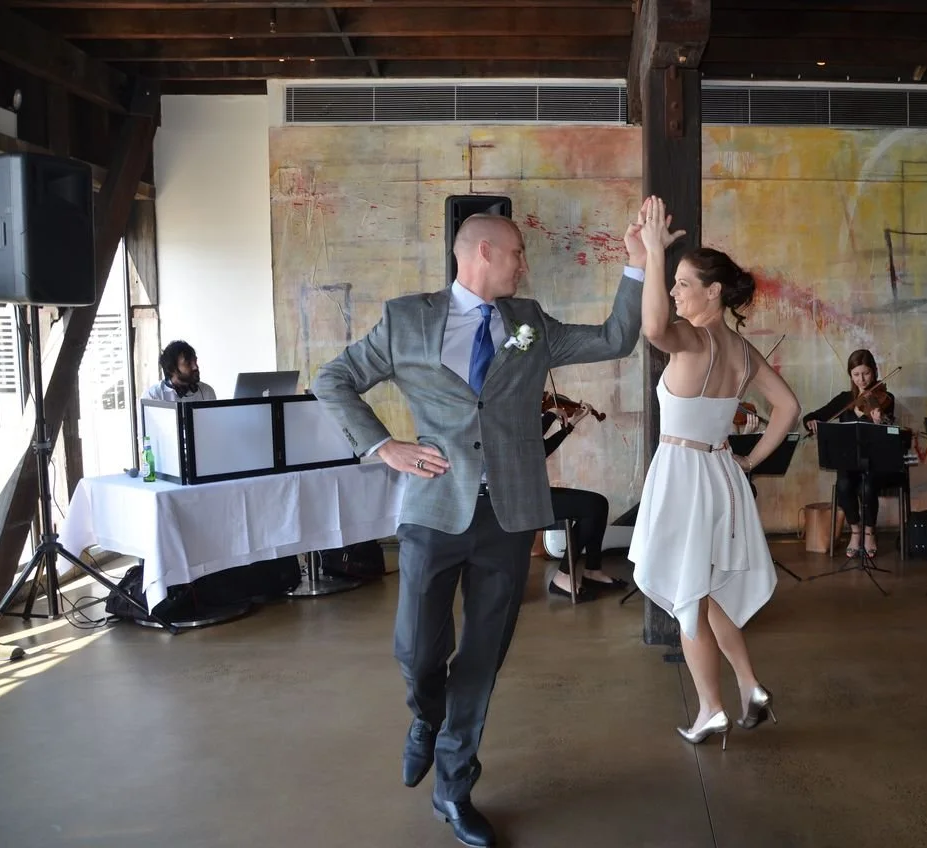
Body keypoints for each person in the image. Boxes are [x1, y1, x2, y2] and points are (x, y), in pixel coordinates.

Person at [311, 208, 646, 848]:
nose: (525, 264)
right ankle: (425, 718)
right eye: (518, 253)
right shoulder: (407, 318)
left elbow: (616, 338)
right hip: (434, 509)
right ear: (484, 252)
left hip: (509, 515)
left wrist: (636, 261)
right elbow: (334, 379)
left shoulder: (530, 325)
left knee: (483, 657)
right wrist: (384, 446)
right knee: (416, 649)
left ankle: (454, 786)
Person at [628, 197, 801, 749]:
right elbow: (789, 410)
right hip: (721, 474)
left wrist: (655, 251)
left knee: (688, 601)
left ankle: (710, 710)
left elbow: (652, 324)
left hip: (683, 475)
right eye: (673, 282)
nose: (676, 292)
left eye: (684, 283)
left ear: (713, 292)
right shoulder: (742, 350)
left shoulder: (692, 337)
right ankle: (750, 686)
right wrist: (749, 460)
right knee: (711, 593)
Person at [802, 349, 895, 557]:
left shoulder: (885, 397)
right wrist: (811, 421)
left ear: (874, 371)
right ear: (850, 375)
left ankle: (870, 532)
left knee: (868, 486)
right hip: (850, 460)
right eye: (856, 374)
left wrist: (880, 422)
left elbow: (890, 431)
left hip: (875, 461)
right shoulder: (844, 399)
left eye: (866, 373)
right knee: (844, 484)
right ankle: (855, 531)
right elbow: (814, 415)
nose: (862, 379)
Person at [542, 397, 627, 601]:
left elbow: (540, 450)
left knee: (599, 502)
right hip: (521, 499)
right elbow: (528, 442)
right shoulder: (510, 418)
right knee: (592, 507)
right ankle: (563, 575)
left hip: (535, 492)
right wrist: (551, 415)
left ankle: (592, 570)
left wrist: (570, 425)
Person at [142, 340, 216, 401]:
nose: (195, 367)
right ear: (172, 368)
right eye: (188, 363)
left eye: (195, 361)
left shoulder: (207, 391)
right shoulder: (153, 395)